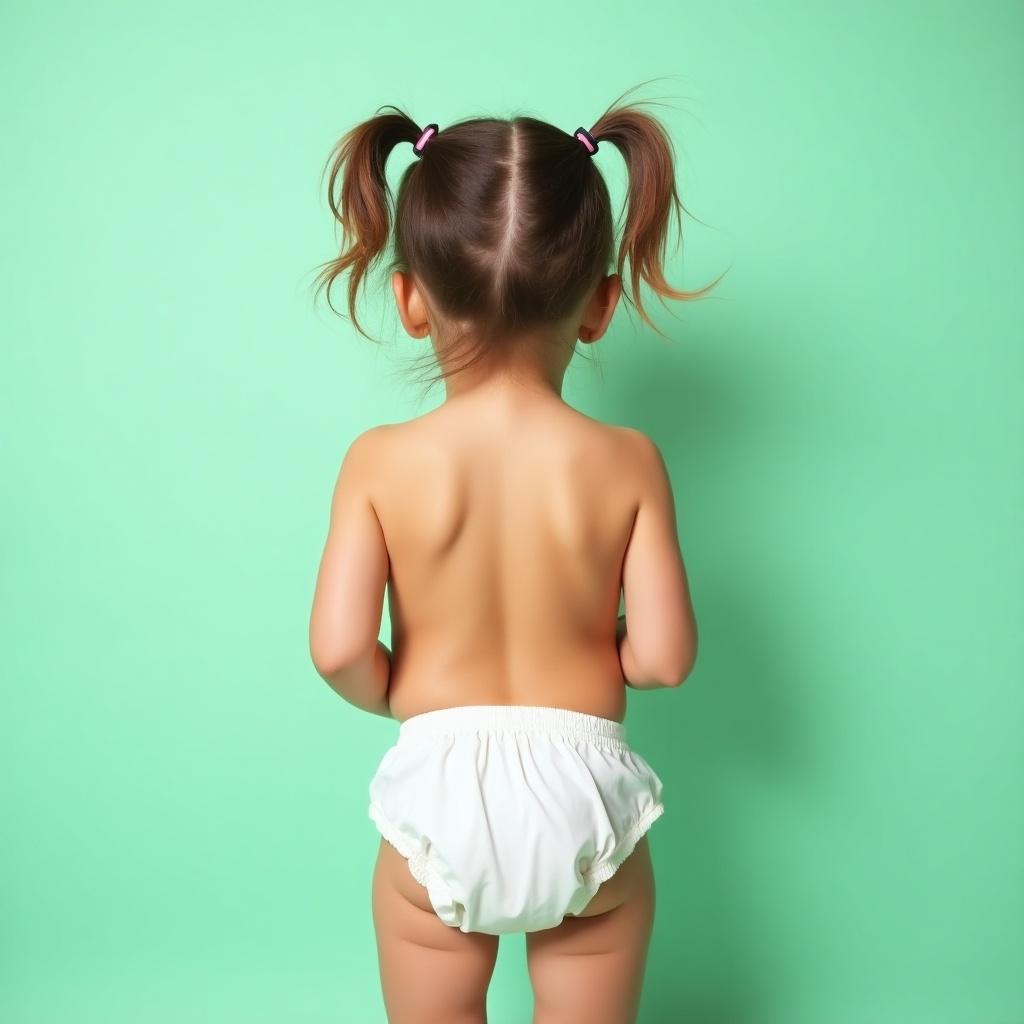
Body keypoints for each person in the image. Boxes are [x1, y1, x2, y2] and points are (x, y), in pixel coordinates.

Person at [308, 80, 722, 1024]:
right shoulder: (627, 463)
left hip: (438, 784)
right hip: (586, 793)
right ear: (600, 305)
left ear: (410, 299)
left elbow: (336, 648)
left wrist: (408, 693)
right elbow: (663, 659)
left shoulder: (380, 462)